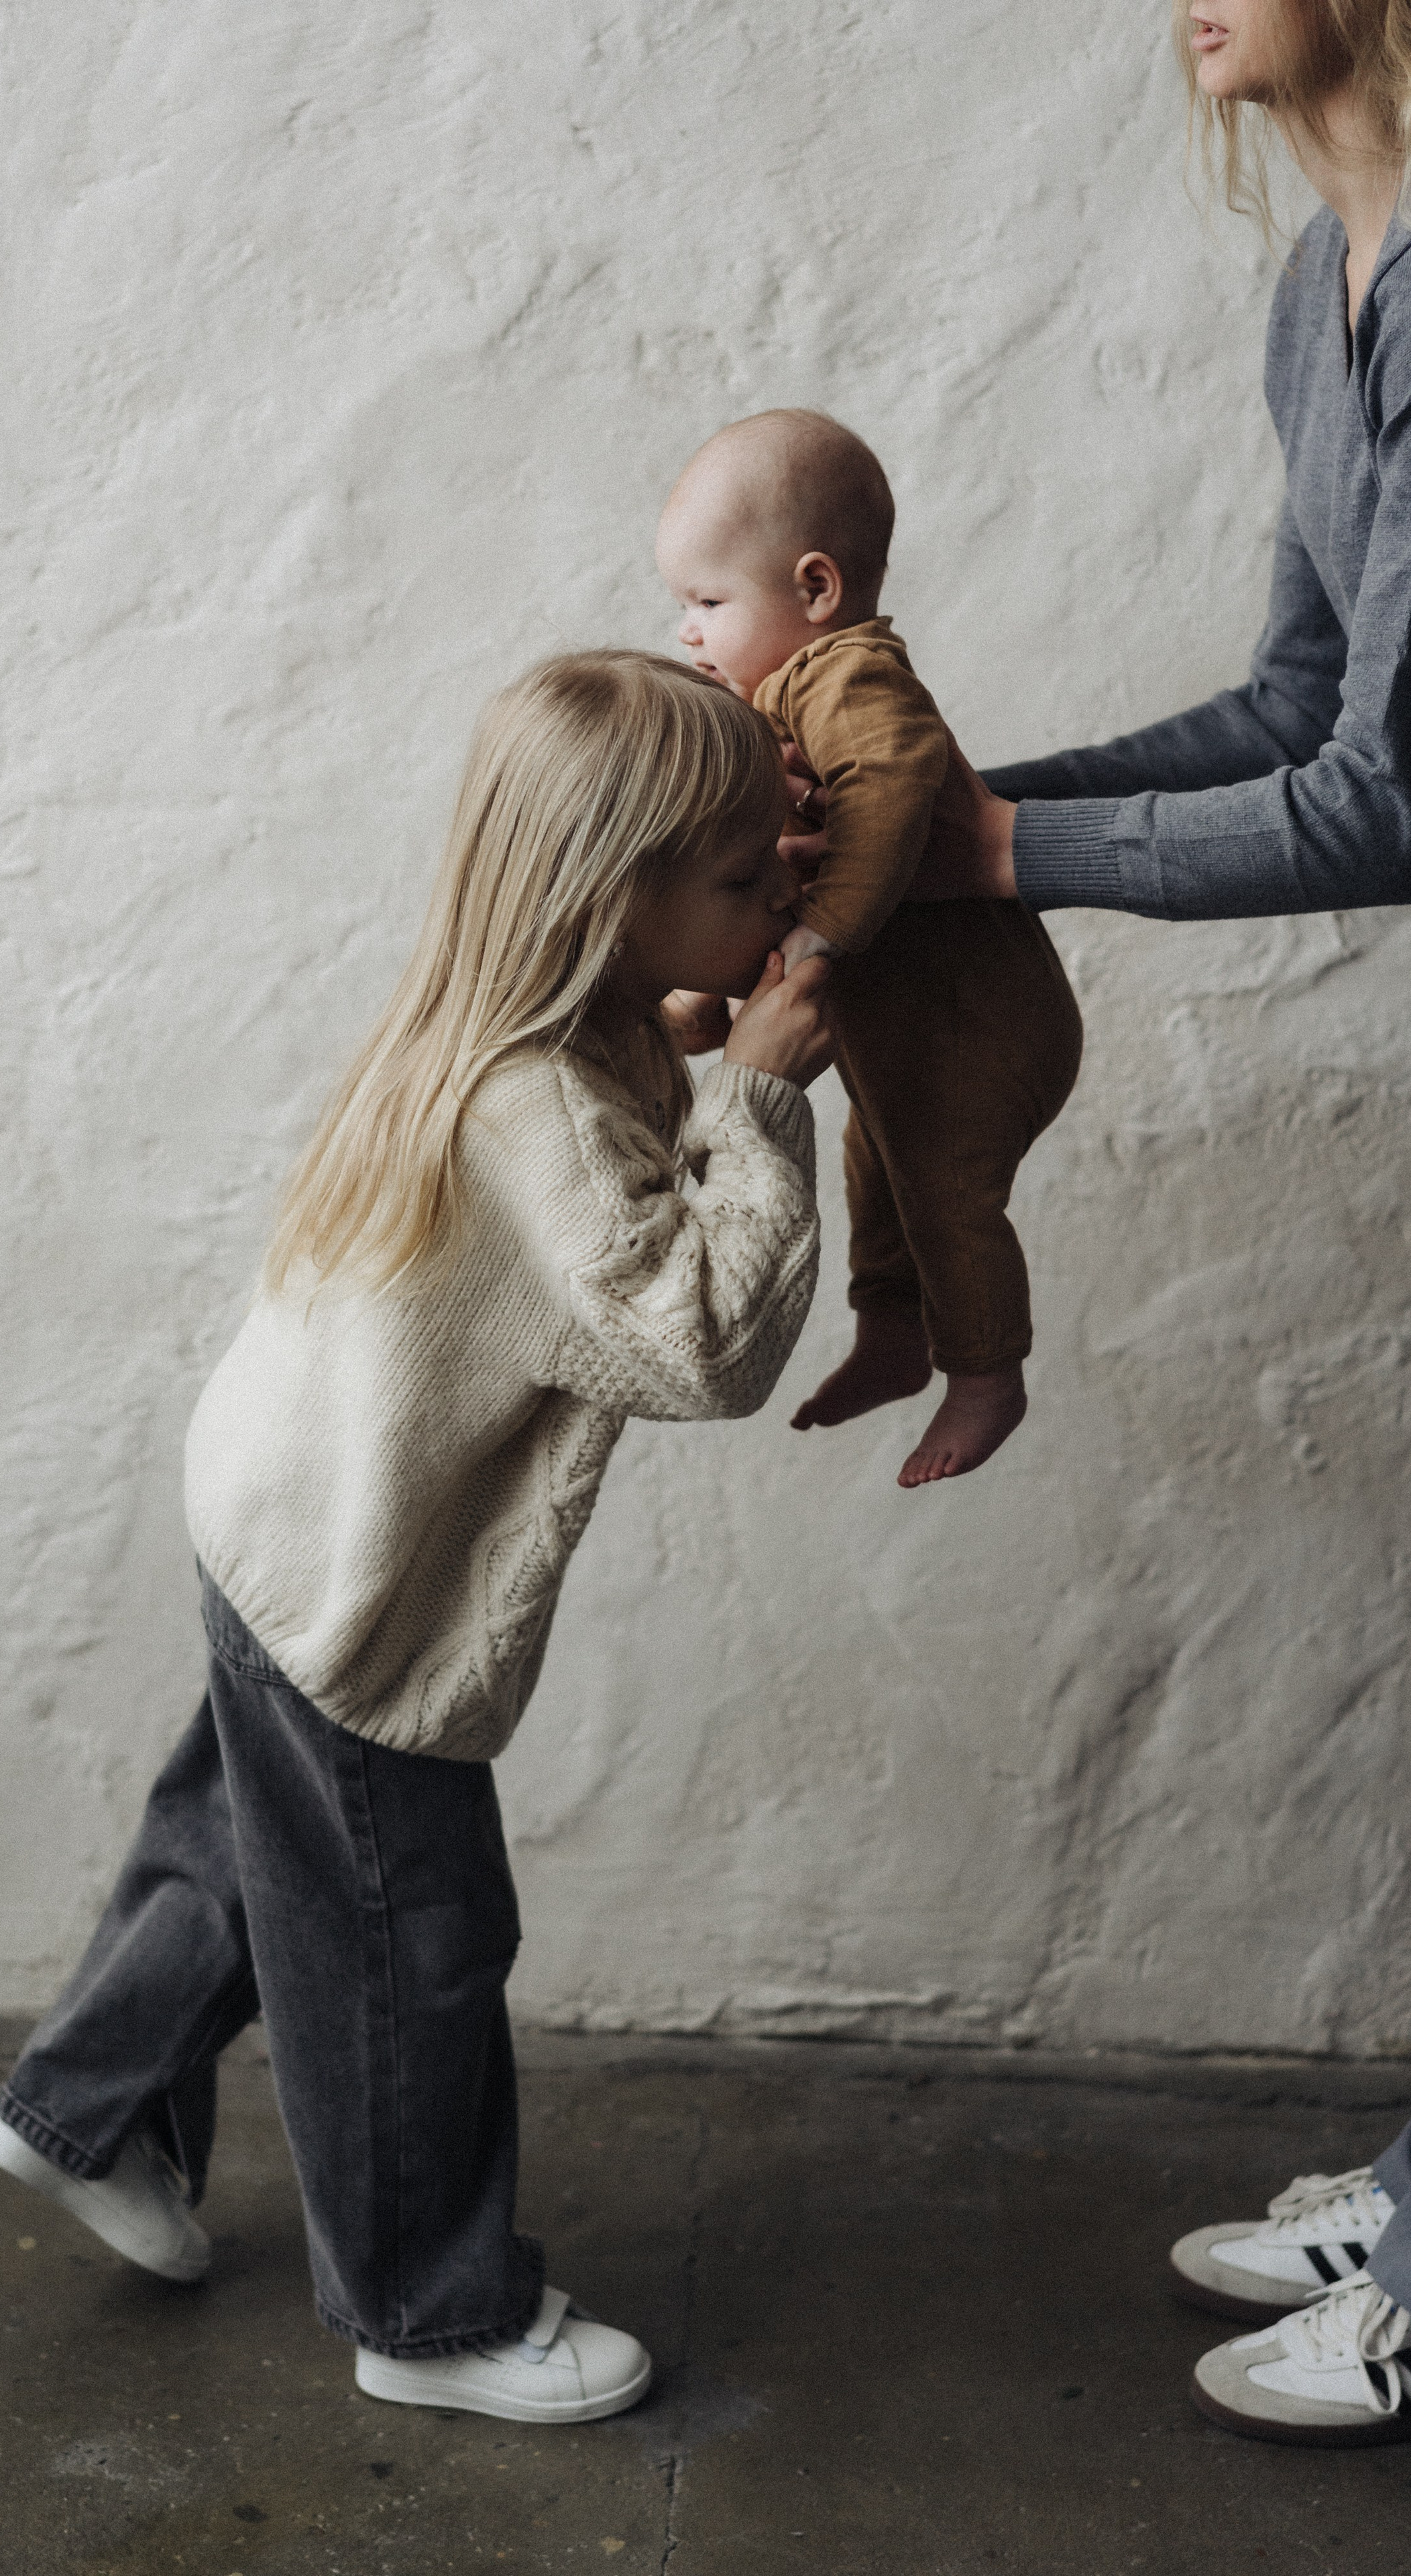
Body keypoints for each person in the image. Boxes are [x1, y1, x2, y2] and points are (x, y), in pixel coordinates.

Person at [0, 649, 838, 2427]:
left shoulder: (513, 1031)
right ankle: (430, 2317)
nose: (778, 903)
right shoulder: (540, 1106)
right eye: (747, 878)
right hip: (361, 1593)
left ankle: (83, 2106)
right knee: (405, 1940)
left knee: (253, 1853)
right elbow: (696, 1338)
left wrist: (694, 1036)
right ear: (619, 897)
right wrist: (758, 1088)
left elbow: (604, 1176)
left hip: (270, 1520)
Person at [887, 0, 1411, 2445]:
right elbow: (1287, 702)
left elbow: (1380, 805)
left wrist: (986, 857)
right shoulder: (1321, 286)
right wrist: (975, 813)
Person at [657, 411, 1082, 1487]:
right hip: (910, 1042)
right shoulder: (787, 701)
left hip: (984, 1030)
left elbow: (893, 781)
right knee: (877, 1168)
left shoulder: (846, 676)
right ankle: (893, 1336)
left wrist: (825, 928)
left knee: (942, 1189)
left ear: (815, 590)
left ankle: (987, 1374)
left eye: (708, 604)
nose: (689, 634)